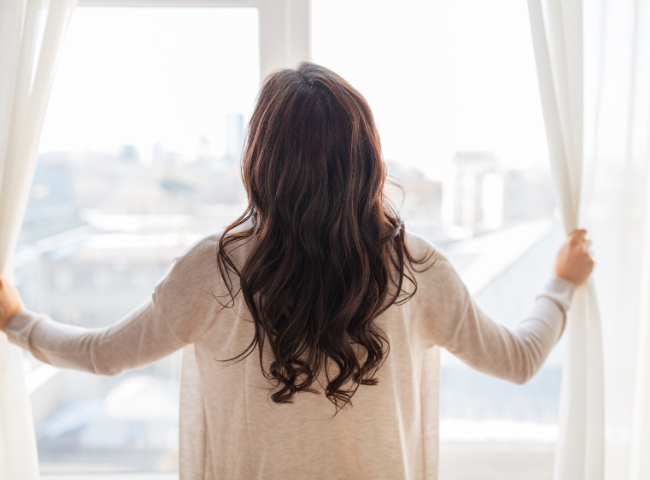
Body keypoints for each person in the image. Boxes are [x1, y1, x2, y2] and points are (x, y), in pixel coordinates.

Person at [0, 62, 593, 480]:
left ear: (261, 161)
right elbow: (518, 360)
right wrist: (561, 282)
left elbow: (105, 354)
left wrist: (19, 321)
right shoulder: (416, 269)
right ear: (366, 159)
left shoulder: (217, 269)